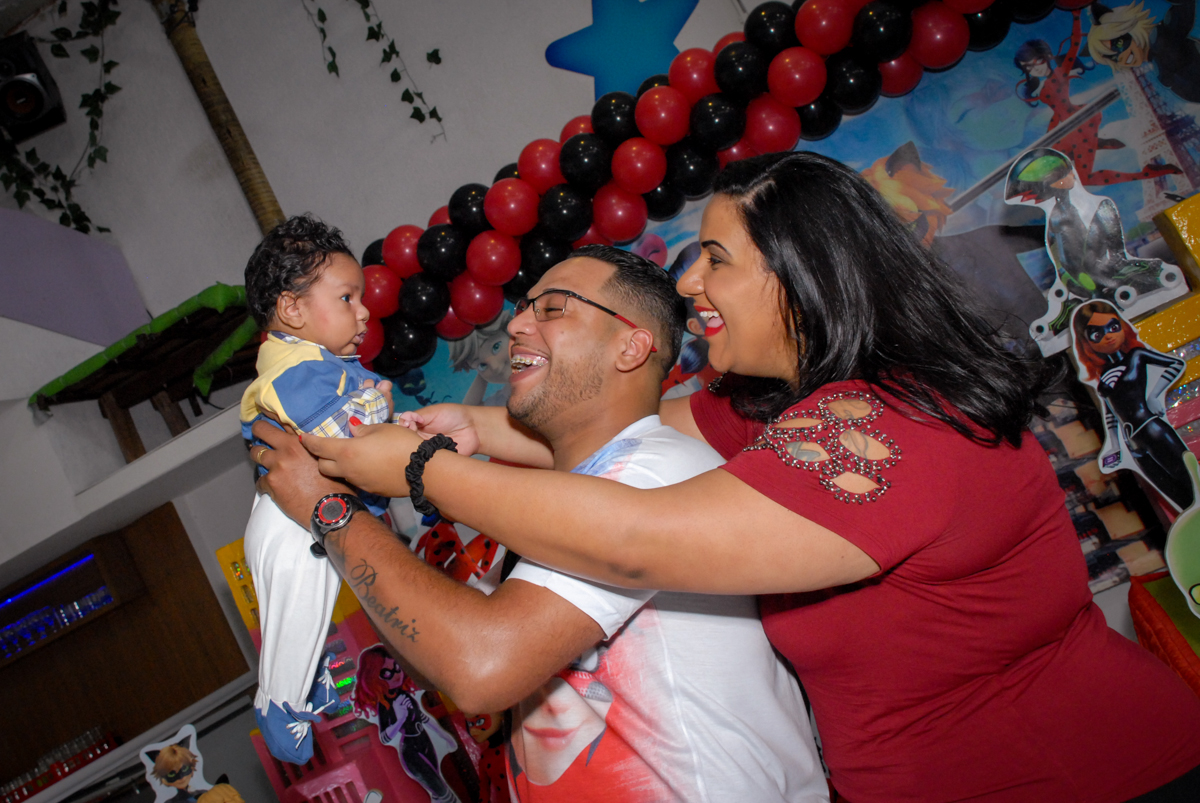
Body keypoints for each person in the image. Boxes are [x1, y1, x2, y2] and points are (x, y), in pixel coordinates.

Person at [274, 152, 1200, 803]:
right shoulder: (779, 409)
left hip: (1099, 778)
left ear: (802, 276)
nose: (688, 285)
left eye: (716, 259)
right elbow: (628, 425)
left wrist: (419, 470)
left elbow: (636, 536)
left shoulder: (885, 427)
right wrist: (458, 426)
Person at [254, 245, 829, 803]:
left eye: (553, 308)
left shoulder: (650, 473)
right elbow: (434, 655)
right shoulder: (569, 496)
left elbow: (480, 666)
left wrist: (330, 510)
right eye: (524, 307)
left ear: (631, 346)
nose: (517, 324)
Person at [239, 214, 398, 764]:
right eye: (348, 297)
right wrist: (380, 410)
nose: (364, 311)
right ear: (292, 309)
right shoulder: (296, 370)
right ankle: (279, 701)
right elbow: (340, 435)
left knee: (315, 600)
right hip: (288, 523)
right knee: (298, 608)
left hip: (300, 513)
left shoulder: (319, 365)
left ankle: (302, 684)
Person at [1071, 300, 1192, 510]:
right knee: (1174, 493)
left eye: (1113, 327)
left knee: (1189, 479)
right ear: (1086, 341)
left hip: (1153, 429)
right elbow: (1111, 414)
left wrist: (1153, 395)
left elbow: (1175, 364)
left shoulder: (1136, 356)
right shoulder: (1103, 377)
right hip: (1134, 444)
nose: (1108, 336)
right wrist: (1115, 445)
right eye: (1097, 334)